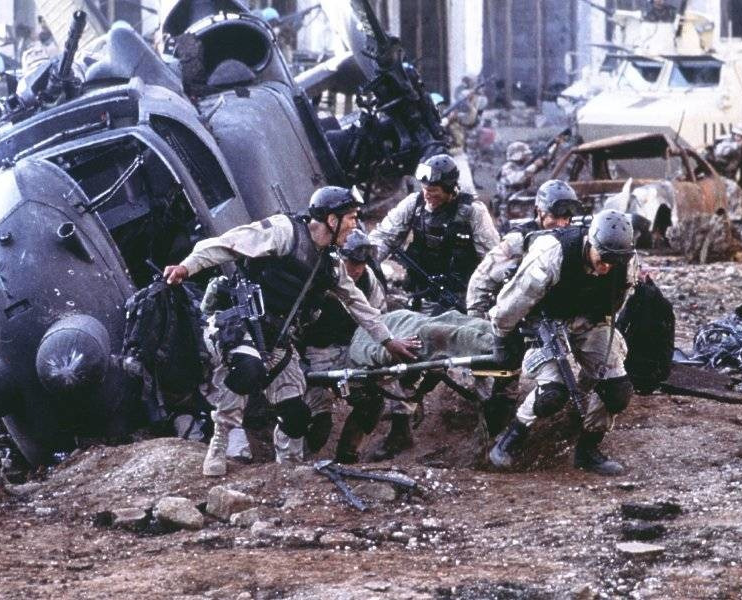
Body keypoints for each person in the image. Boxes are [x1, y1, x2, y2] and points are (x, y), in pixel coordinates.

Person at [164, 186, 418, 477]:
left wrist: (388, 340)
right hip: (241, 325)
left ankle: (287, 472)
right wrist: (187, 267)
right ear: (331, 220)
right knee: (247, 370)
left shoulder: (330, 265)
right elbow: (227, 244)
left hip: (277, 340)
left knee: (297, 418)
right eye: (350, 218)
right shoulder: (285, 232)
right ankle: (219, 442)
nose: (354, 225)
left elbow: (357, 303)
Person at [488, 209, 638, 475]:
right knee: (553, 394)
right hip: (543, 322)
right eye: (603, 258)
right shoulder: (552, 253)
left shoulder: (625, 260)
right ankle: (511, 438)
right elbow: (512, 302)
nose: (607, 267)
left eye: (614, 262)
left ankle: (588, 450)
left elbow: (618, 301)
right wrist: (502, 338)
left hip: (589, 320)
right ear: (590, 243)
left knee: (616, 390)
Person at [297, 230, 412, 464]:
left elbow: (380, 320)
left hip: (350, 350)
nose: (357, 269)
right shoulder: (316, 276)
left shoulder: (368, 281)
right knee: (317, 423)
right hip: (314, 353)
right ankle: (298, 465)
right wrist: (298, 362)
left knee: (371, 403)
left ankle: (347, 457)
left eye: (362, 263)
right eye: (351, 262)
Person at [370, 153, 500, 315]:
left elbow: (492, 258)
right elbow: (384, 237)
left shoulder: (474, 212)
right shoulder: (414, 203)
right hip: (421, 292)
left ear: (450, 189)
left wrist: (484, 298)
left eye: (433, 191)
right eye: (424, 189)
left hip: (461, 297)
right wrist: (366, 263)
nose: (426, 195)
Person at [468, 179, 583, 320]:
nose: (561, 224)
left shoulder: (574, 238)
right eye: (554, 217)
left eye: (566, 218)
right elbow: (482, 277)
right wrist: (477, 319)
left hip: (560, 316)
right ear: (540, 212)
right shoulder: (519, 240)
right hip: (522, 316)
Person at [704, 124, 742, 220]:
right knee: (736, 195)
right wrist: (738, 145)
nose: (738, 137)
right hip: (716, 175)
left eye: (741, 136)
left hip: (729, 177)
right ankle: (730, 218)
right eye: (737, 135)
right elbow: (721, 152)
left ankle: (732, 218)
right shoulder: (726, 142)